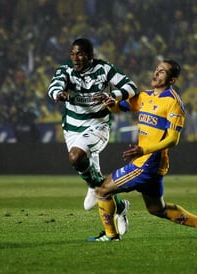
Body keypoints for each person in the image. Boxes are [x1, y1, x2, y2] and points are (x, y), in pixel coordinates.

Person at [88, 60, 197, 241]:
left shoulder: (173, 103)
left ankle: (111, 235)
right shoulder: (144, 96)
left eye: (162, 72)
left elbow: (173, 139)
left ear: (172, 80)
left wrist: (143, 149)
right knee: (157, 209)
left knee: (102, 190)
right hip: (149, 165)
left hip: (147, 164)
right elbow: (118, 108)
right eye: (156, 70)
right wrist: (109, 101)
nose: (156, 74)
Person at [47, 38, 138, 235]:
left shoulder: (103, 69)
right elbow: (54, 86)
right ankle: (120, 207)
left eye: (79, 54)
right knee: (97, 184)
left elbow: (131, 87)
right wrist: (58, 94)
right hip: (72, 129)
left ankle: (93, 186)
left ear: (90, 55)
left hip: (98, 127)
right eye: (72, 53)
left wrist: (114, 96)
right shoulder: (66, 70)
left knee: (75, 156)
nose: (75, 58)